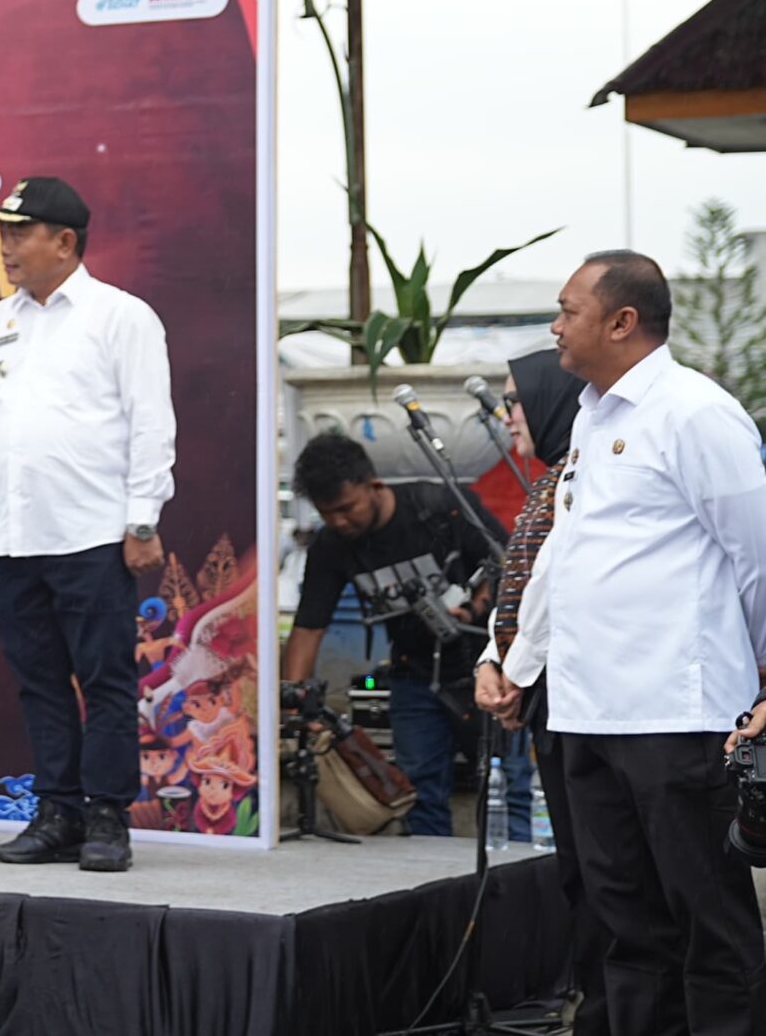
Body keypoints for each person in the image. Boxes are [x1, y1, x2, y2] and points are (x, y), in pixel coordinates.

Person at [499, 252, 765, 1034]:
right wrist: (518, 661)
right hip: (589, 713)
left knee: (709, 924)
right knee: (626, 928)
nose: (555, 327)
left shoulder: (695, 413)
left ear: (622, 322)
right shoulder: (592, 416)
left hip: (675, 714)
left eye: (567, 310)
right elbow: (568, 556)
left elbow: (757, 554)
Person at [0, 176, 175, 873]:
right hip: (15, 534)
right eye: (3, 232)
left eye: (19, 232)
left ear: (64, 241)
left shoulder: (121, 316)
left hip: (92, 533)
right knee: (39, 681)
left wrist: (143, 518)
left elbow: (150, 423)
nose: (7, 246)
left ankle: (107, 816)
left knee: (105, 680)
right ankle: (57, 812)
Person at [286, 432, 528, 839]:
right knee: (420, 796)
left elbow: (509, 570)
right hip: (413, 677)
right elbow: (309, 626)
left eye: (346, 508)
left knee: (508, 786)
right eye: (327, 514)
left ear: (374, 485)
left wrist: (475, 610)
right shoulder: (332, 545)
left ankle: (517, 870)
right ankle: (433, 875)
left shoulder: (440, 506)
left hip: (486, 670)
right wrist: (293, 701)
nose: (339, 521)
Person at [473, 350, 608, 1035]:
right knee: (581, 872)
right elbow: (523, 592)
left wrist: (513, 670)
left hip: (593, 701)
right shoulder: (552, 479)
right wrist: (494, 660)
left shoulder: (584, 477)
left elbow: (559, 595)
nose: (506, 416)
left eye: (515, 401)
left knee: (608, 876)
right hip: (552, 700)